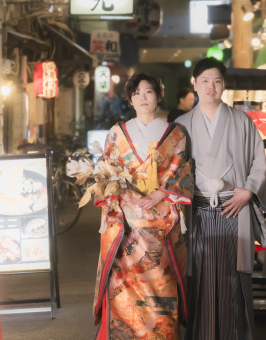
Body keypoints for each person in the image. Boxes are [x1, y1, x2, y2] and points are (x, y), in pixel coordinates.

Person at [92, 72, 193, 340]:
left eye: (148, 91)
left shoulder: (176, 133)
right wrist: (124, 195)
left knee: (162, 283)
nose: (143, 97)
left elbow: (182, 170)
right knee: (123, 286)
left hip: (160, 222)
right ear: (130, 99)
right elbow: (106, 170)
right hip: (125, 223)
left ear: (159, 95)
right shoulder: (117, 132)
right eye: (136, 93)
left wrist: (159, 195)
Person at [175, 57, 266, 340]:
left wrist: (249, 190)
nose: (211, 86)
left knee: (233, 280)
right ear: (194, 84)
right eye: (204, 80)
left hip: (233, 206)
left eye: (217, 80)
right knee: (199, 277)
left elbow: (258, 161)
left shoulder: (242, 121)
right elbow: (171, 169)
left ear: (224, 85)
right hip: (198, 210)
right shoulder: (181, 124)